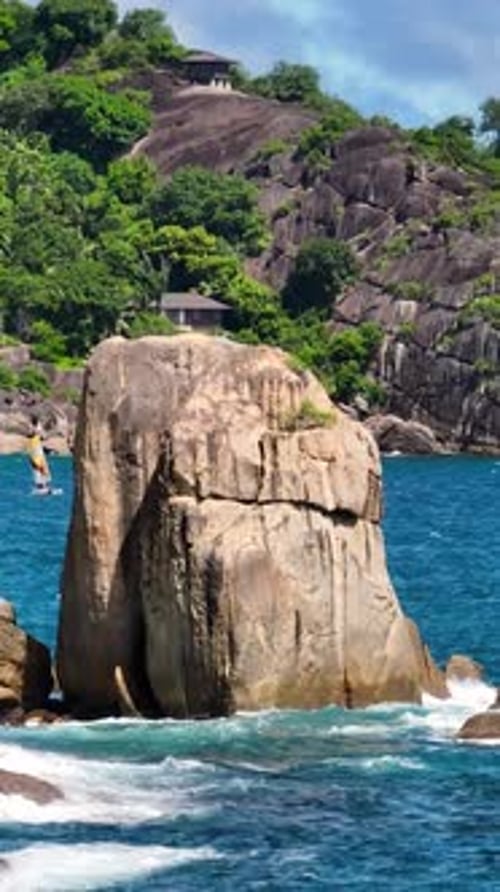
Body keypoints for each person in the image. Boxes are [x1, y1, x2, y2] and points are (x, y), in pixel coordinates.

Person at [26, 416, 52, 495]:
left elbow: (42, 437)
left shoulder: (37, 428)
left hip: (37, 449)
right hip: (34, 450)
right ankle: (40, 486)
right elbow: (31, 435)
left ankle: (45, 486)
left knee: (42, 467)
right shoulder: (33, 429)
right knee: (37, 467)